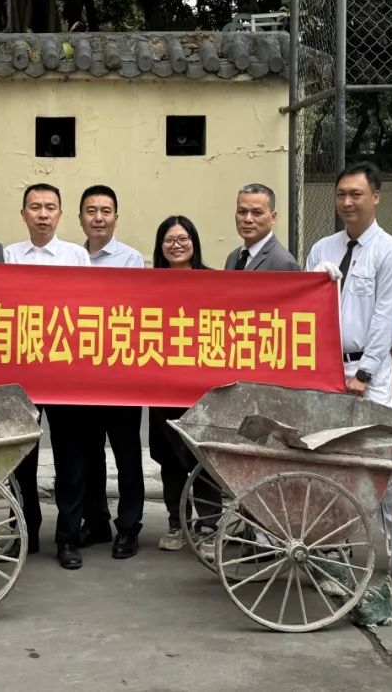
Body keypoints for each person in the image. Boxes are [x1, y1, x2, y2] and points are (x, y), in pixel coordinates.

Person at [305, 162, 392, 591]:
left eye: (356, 194)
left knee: (385, 463)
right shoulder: (321, 249)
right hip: (325, 371)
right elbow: (307, 311)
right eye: (341, 194)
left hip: (368, 374)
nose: (347, 202)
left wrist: (362, 374)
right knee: (327, 462)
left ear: (375, 198)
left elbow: (386, 318)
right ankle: (331, 546)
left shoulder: (391, 253)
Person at [3, 183, 92, 569]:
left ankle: (68, 538)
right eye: (35, 207)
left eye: (50, 207)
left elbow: (87, 307)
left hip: (65, 371)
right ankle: (24, 532)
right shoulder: (8, 255)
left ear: (60, 214)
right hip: (21, 372)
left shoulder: (76, 256)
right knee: (21, 455)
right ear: (23, 214)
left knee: (71, 457)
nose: (42, 214)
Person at [72, 185, 146, 559]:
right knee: (89, 454)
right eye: (91, 211)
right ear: (80, 217)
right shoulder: (69, 258)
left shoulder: (131, 259)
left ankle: (129, 526)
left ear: (116, 217)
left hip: (120, 377)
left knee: (126, 453)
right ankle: (97, 521)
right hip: (81, 377)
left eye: (105, 211)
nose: (98, 218)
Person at [147, 216, 218, 557]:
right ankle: (178, 524)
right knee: (169, 459)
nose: (176, 245)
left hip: (203, 391)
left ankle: (209, 526)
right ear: (160, 246)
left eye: (182, 238)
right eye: (169, 240)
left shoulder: (213, 281)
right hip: (161, 388)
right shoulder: (149, 285)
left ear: (194, 242)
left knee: (204, 458)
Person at [223, 184, 300, 271]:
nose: (248, 219)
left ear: (273, 217)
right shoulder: (233, 258)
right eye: (242, 212)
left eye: (257, 213)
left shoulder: (283, 263)